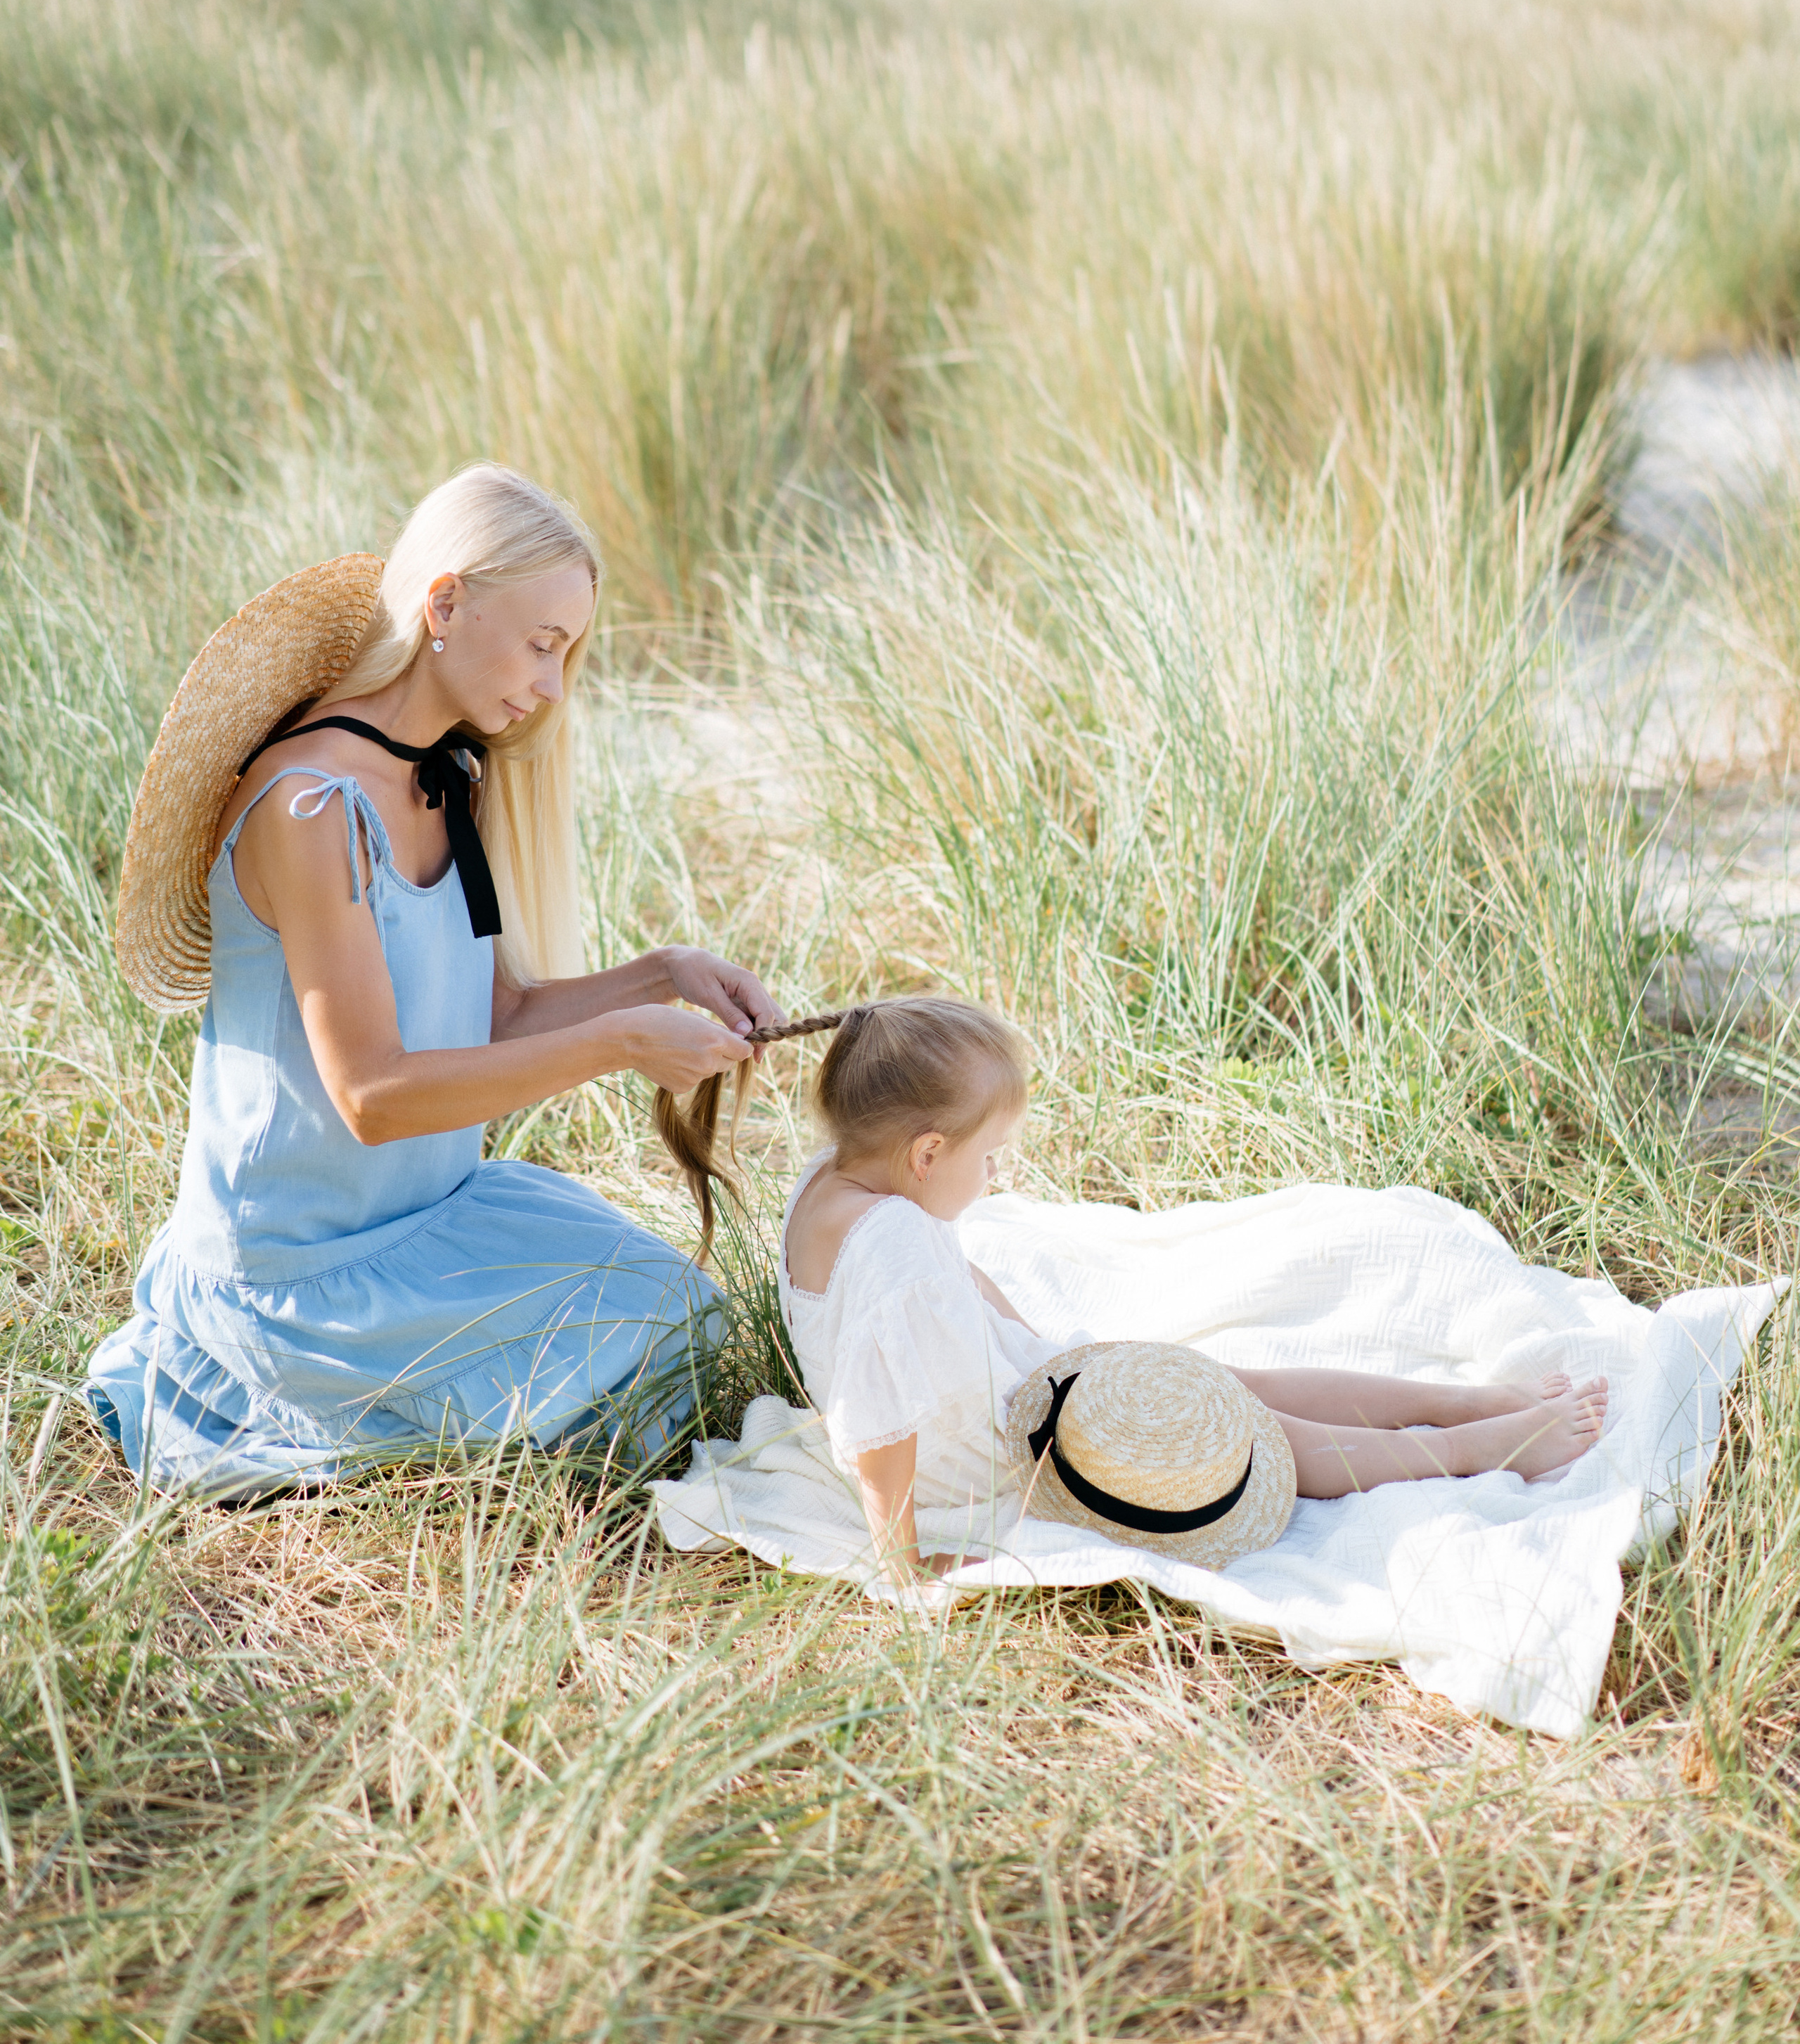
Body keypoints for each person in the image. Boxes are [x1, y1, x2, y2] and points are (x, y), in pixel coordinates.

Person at [90, 463, 778, 1500]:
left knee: (684, 1317)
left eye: (568, 654)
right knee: (618, 1382)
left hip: (429, 1211)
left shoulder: (449, 779)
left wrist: (664, 975)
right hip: (302, 1267)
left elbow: (496, 1014)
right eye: (545, 644)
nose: (552, 685)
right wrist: (624, 1044)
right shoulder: (310, 807)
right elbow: (371, 1095)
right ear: (446, 603)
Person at [757, 998, 1608, 1579]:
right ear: (928, 1153)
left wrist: (1042, 1349)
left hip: (1012, 1387)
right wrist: (899, 1559)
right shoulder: (895, 1238)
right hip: (993, 1453)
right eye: (989, 1159)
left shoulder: (830, 1184)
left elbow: (951, 1280)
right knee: (1256, 1430)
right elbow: (877, 1424)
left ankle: (1467, 1403)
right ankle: (1478, 1445)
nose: (994, 1176)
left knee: (1226, 1383)